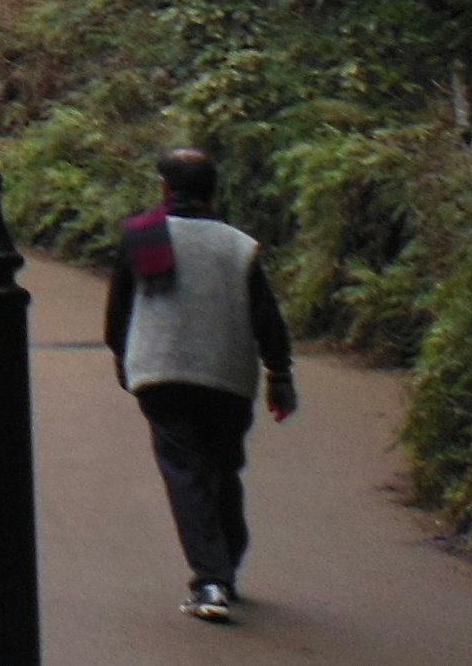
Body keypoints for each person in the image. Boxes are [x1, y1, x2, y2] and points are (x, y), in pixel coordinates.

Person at [105, 146, 298, 624]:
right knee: (222, 468)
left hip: (161, 373)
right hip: (227, 378)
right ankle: (224, 564)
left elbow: (119, 312)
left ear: (165, 189)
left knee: (186, 472)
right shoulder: (241, 246)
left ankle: (211, 580)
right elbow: (268, 321)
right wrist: (280, 376)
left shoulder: (141, 236)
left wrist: (123, 359)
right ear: (214, 191)